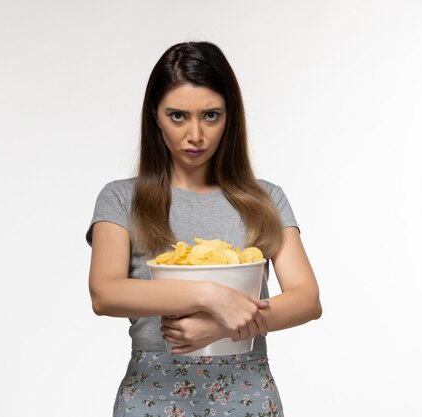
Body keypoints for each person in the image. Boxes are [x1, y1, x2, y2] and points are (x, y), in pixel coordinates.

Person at [86, 41, 321, 417]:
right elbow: (105, 293)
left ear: (231, 116)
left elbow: (307, 299)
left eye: (211, 115)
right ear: (154, 116)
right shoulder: (120, 199)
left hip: (248, 395)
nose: (195, 134)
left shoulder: (266, 199)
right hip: (153, 395)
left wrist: (224, 328)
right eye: (178, 116)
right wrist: (210, 297)